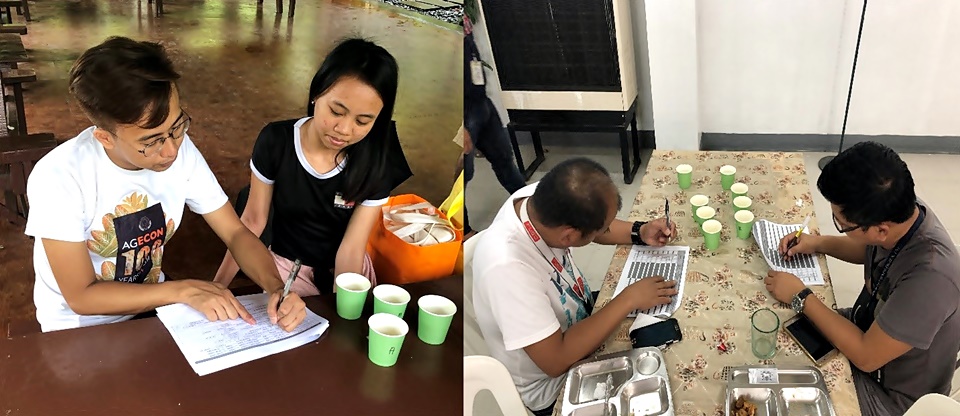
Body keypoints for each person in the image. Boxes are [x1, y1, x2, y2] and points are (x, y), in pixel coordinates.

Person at [24, 37, 307, 333]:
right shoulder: (59, 177)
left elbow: (235, 232)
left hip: (152, 304)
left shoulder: (179, 151)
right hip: (81, 326)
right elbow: (82, 295)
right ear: (105, 138)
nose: (171, 150)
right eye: (151, 141)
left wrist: (275, 287)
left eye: (177, 127)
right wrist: (181, 291)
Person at [765, 142, 960, 416]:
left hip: (892, 395)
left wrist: (802, 296)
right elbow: (868, 247)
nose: (840, 229)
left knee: (784, 381)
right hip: (865, 326)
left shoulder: (930, 279)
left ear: (880, 229)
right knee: (774, 327)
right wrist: (816, 243)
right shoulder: (902, 213)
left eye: (842, 225)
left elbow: (867, 356)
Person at [472, 157, 678, 415]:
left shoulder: (540, 200)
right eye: (600, 230)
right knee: (664, 374)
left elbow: (597, 225)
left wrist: (640, 231)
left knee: (661, 321)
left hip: (579, 313)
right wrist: (628, 299)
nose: (605, 231)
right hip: (552, 383)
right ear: (568, 236)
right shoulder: (506, 269)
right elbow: (555, 360)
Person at [213, 38, 410, 296]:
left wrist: (343, 306)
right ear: (317, 94)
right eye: (337, 112)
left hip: (348, 272)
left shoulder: (378, 160)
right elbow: (252, 221)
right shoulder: (277, 141)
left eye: (363, 121)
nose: (344, 130)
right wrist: (218, 286)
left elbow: (351, 248)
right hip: (285, 268)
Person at [462, 12, 526, 240]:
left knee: (504, 159)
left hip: (481, 102)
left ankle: (530, 207)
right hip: (462, 115)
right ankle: (465, 232)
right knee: (460, 178)